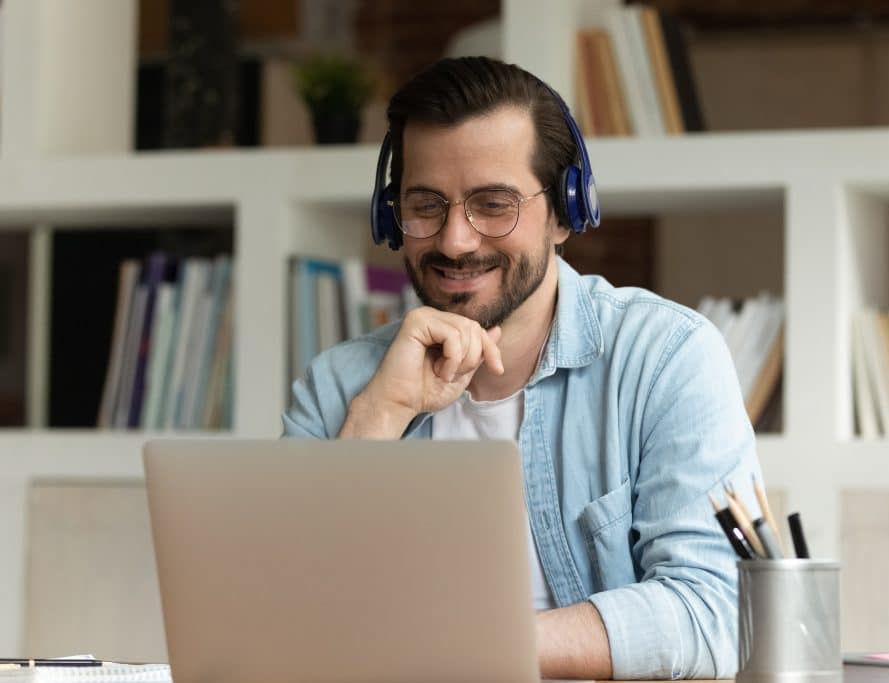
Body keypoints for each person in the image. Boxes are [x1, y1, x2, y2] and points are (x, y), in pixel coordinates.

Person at [283, 56, 762, 680]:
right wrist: (380, 415)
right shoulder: (339, 388)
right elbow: (284, 625)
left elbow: (713, 613)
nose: (455, 240)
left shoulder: (667, 358)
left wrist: (473, 644)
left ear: (566, 210)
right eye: (426, 205)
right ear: (389, 215)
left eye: (493, 204)